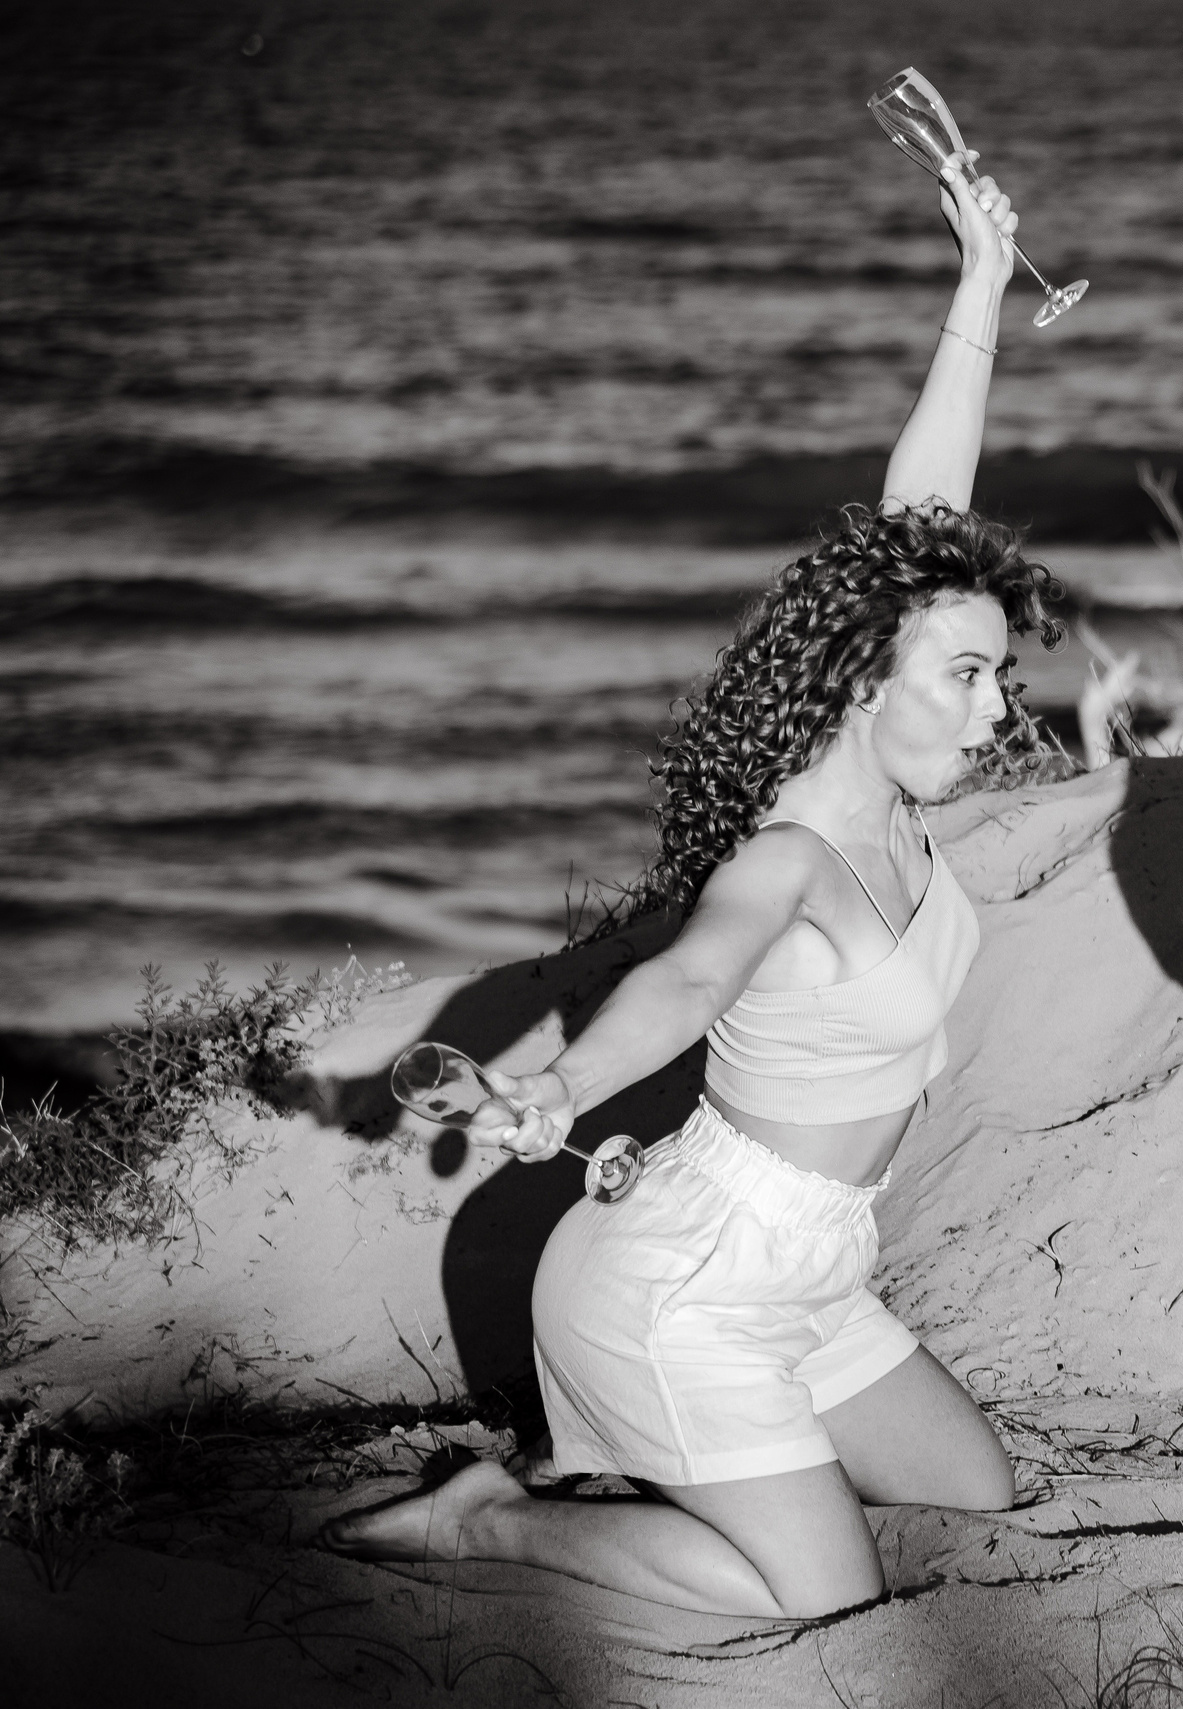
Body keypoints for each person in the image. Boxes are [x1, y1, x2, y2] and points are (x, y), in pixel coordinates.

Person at [322, 163, 1059, 1616]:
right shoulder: (789, 854)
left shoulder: (889, 780)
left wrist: (981, 282)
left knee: (981, 1487)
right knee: (820, 1598)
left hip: (813, 1271)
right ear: (869, 680)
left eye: (997, 676)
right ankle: (489, 1521)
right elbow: (685, 980)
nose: (994, 713)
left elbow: (918, 525)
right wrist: (563, 1084)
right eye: (966, 678)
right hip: (683, 1279)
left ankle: (729, 1454)